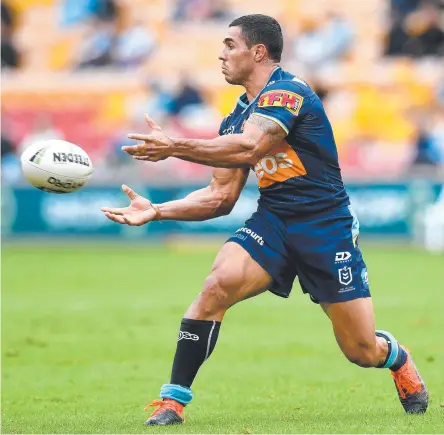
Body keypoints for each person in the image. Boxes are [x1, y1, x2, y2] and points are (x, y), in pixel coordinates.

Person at [101, 14, 429, 425]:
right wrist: (158, 211)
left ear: (258, 52)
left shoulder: (289, 93)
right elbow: (220, 197)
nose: (220, 54)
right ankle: (172, 402)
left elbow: (251, 147)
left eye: (229, 45)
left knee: (361, 350)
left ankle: (396, 358)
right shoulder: (235, 116)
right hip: (273, 221)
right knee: (214, 288)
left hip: (325, 227)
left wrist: (175, 146)